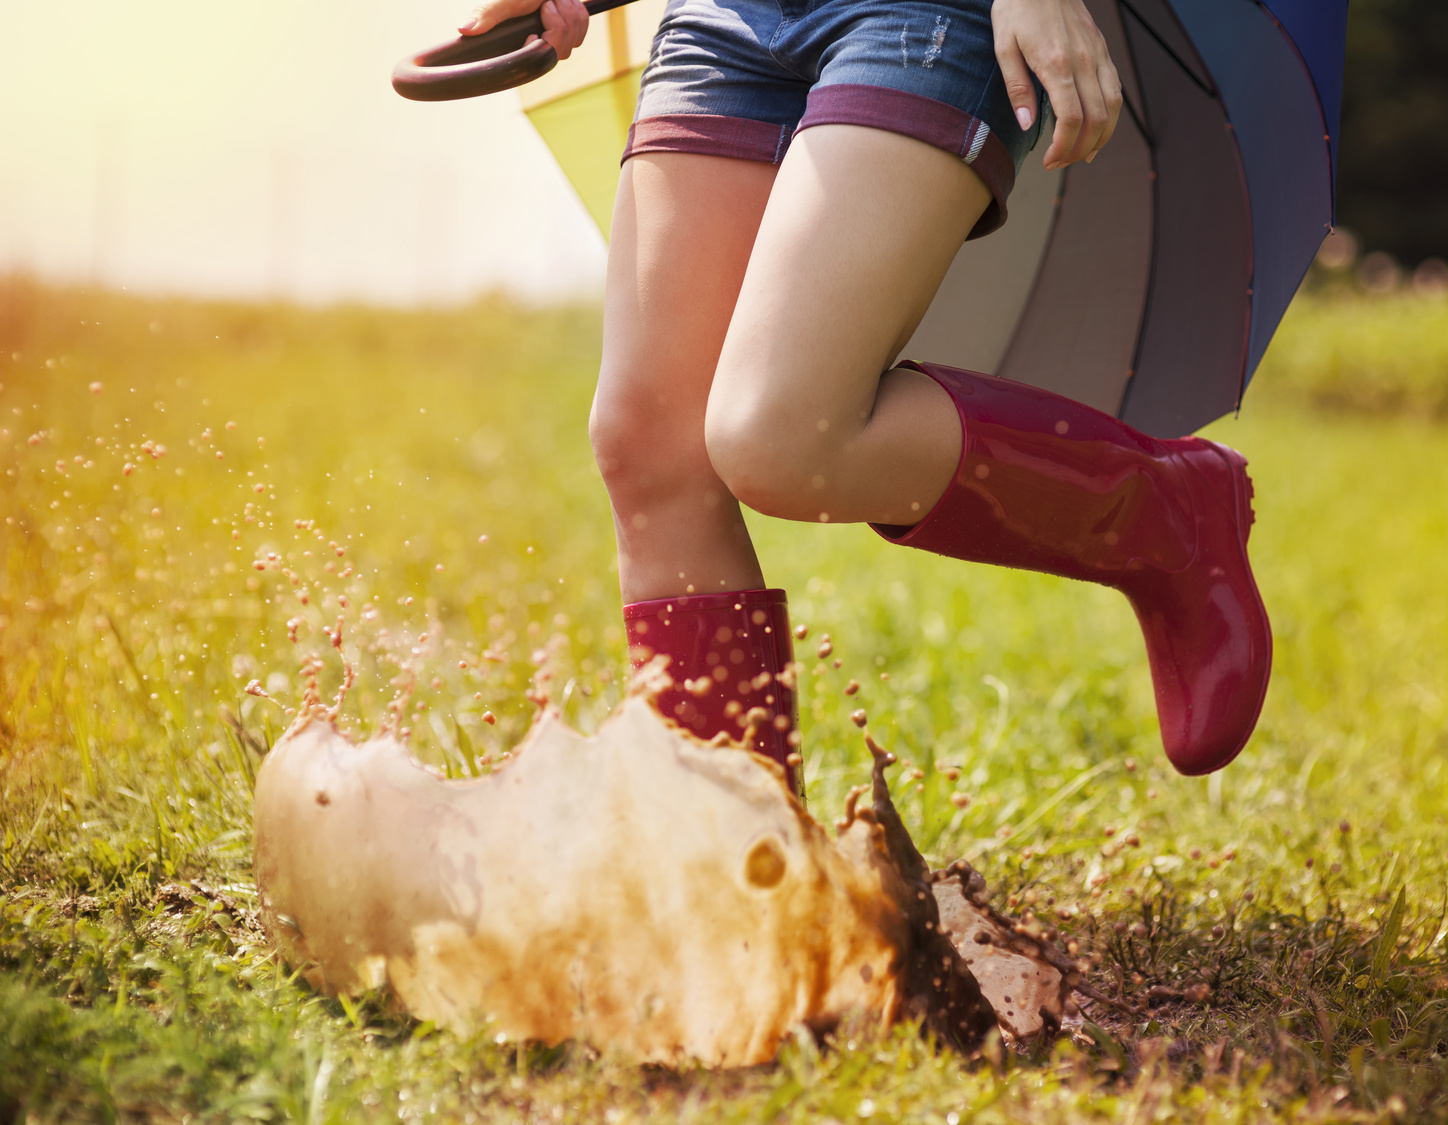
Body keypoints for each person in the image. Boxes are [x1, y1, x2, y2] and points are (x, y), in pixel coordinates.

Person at [459, 0, 1271, 793]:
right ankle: (742, 887)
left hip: (921, 13)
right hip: (725, 18)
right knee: (649, 444)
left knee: (780, 434)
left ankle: (1163, 509)